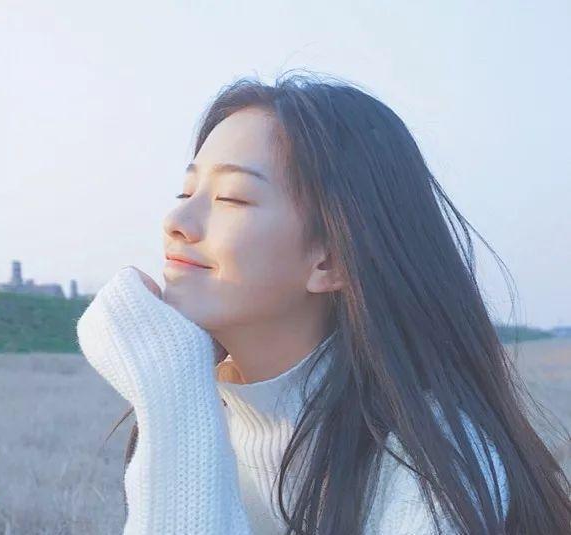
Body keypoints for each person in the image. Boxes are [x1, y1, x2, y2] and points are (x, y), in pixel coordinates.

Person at [76, 70, 571, 534]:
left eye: (232, 198)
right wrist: (175, 392)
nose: (176, 221)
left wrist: (174, 394)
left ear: (332, 258)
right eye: (185, 192)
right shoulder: (202, 414)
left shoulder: (435, 459)